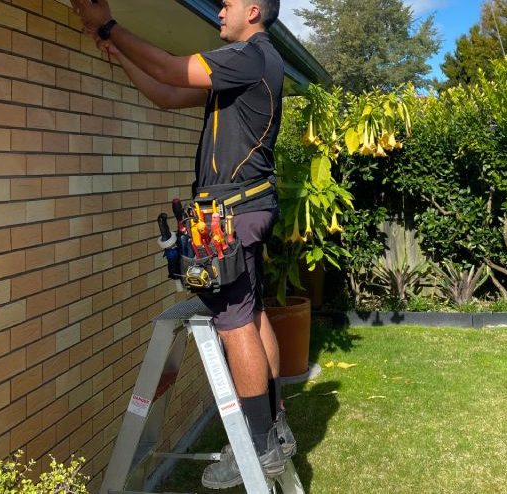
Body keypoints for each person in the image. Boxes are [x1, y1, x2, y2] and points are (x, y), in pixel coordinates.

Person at [71, 0, 295, 488]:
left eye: (228, 4)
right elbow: (168, 94)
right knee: (252, 314)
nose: (219, 10)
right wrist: (118, 50)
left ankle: (258, 450)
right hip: (246, 207)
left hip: (233, 212)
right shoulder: (245, 70)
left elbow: (173, 68)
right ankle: (273, 429)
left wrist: (109, 25)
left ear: (253, 11)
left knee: (235, 322)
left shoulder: (250, 55)